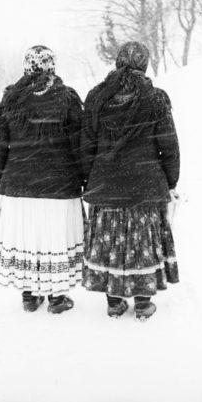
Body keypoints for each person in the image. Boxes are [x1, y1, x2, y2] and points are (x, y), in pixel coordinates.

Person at [81, 41, 180, 321]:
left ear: (117, 62)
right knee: (142, 243)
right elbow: (169, 146)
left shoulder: (97, 96)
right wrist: (170, 181)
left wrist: (88, 179)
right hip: (145, 185)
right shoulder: (156, 98)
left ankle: (113, 302)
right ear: (144, 64)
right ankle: (142, 302)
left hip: (105, 185)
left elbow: (86, 144)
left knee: (109, 241)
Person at [0, 45, 84, 314]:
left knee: (26, 237)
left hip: (18, 183)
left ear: (26, 66)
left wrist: (3, 177)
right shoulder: (67, 97)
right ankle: (56, 298)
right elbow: (80, 142)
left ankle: (30, 296)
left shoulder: (11, 98)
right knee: (55, 237)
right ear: (52, 65)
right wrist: (83, 176)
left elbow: (0, 142)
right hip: (60, 183)